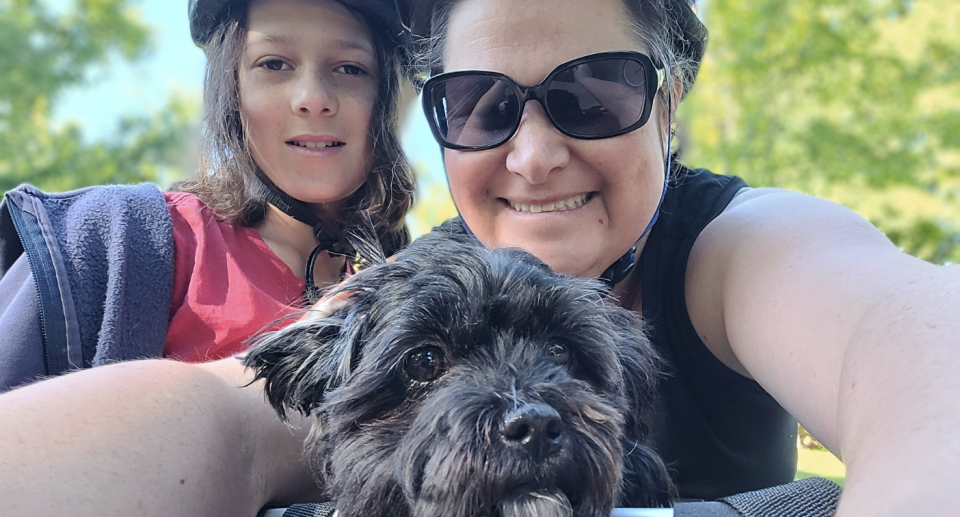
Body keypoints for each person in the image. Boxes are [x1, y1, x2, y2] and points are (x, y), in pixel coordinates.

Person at [0, 0, 958, 516]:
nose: (535, 154)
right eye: (481, 104)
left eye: (594, 91)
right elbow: (222, 411)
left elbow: (906, 340)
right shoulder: (408, 284)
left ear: (668, 108)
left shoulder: (737, 243)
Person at [0, 0, 415, 390]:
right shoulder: (112, 239)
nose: (313, 99)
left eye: (350, 69)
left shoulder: (409, 295)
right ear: (231, 91)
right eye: (273, 64)